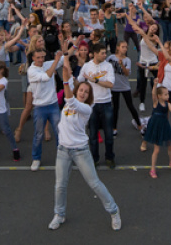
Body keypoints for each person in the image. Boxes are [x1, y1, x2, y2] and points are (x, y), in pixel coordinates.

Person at [49, 61, 121, 231]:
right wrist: (66, 55)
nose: (83, 92)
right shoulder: (69, 102)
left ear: (88, 96)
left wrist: (66, 81)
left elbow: (70, 98)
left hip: (80, 151)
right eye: (81, 90)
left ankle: (114, 211)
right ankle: (59, 214)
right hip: (63, 150)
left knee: (94, 183)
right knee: (60, 185)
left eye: (86, 92)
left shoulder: (86, 108)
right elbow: (69, 78)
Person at [77, 41, 116, 168]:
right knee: (92, 135)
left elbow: (110, 84)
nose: (105, 55)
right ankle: (94, 159)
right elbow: (79, 82)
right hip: (91, 105)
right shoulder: (87, 66)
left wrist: (96, 80)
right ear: (95, 54)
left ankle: (110, 157)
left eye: (105, 53)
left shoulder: (108, 66)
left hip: (106, 104)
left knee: (109, 134)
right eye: (102, 53)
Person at [27, 47, 64, 171]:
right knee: (38, 135)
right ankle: (36, 158)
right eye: (38, 57)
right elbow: (47, 76)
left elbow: (64, 59)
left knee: (60, 133)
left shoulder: (48, 63)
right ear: (33, 58)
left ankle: (62, 158)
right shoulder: (31, 71)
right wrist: (55, 61)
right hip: (39, 107)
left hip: (53, 104)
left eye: (43, 57)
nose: (41, 60)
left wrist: (71, 46)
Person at [142, 86, 171, 177]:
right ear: (159, 96)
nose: (168, 96)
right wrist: (155, 84)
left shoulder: (168, 104)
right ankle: (152, 169)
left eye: (168, 94)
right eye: (165, 94)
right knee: (157, 149)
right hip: (157, 126)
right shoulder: (156, 103)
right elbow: (153, 94)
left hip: (164, 125)